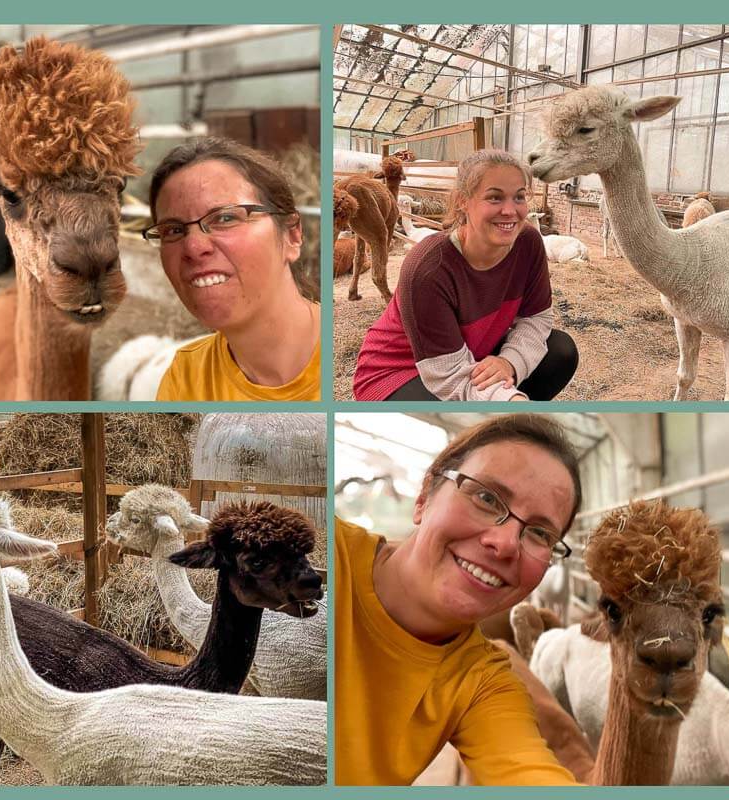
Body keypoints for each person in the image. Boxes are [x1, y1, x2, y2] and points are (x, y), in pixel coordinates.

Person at [335, 414, 582, 785]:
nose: (504, 544)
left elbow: (528, 773)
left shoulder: (484, 683)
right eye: (486, 498)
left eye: (539, 534)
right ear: (424, 496)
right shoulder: (324, 555)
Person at [352, 150, 578, 401]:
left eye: (519, 197)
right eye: (494, 198)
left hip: (473, 350)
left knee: (560, 351)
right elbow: (448, 374)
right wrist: (511, 400)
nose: (510, 211)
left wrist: (508, 363)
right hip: (404, 369)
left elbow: (537, 318)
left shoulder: (528, 242)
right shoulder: (430, 267)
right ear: (462, 201)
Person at [144, 138, 320, 401]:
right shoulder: (186, 378)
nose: (193, 246)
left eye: (225, 218)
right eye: (174, 230)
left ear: (292, 236)